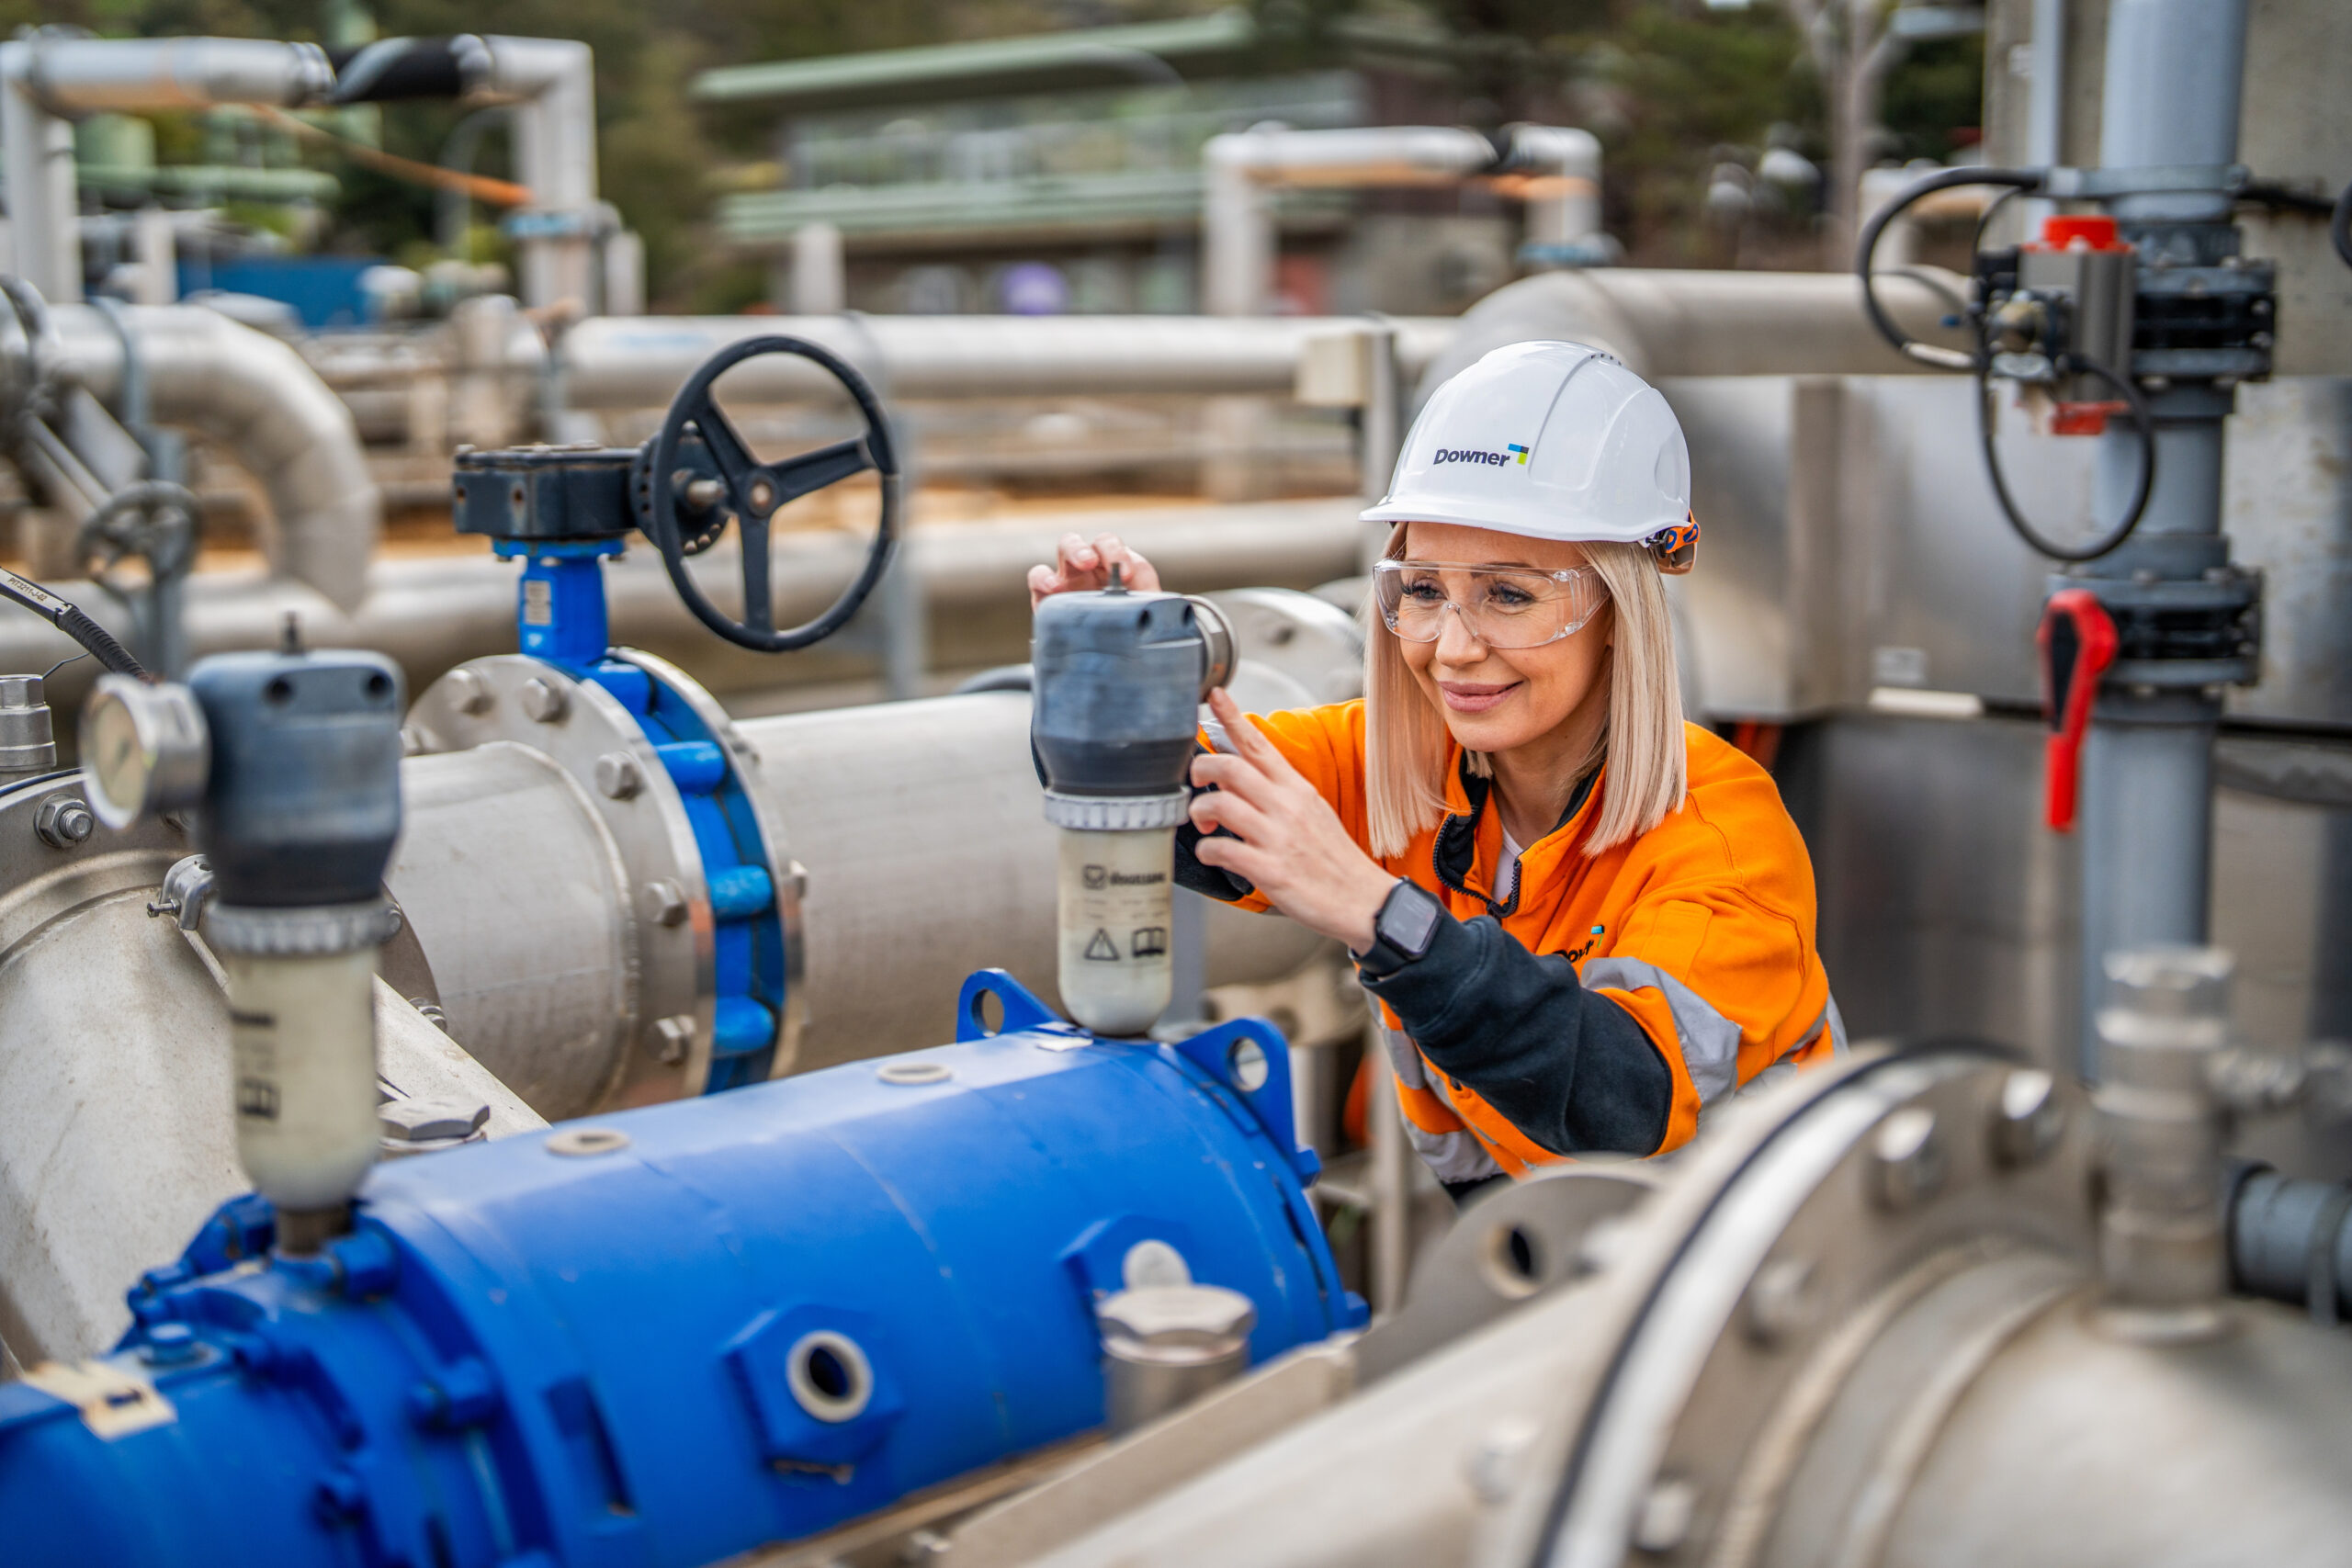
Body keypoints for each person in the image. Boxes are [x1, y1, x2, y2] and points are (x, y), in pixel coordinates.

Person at [1029, 342, 1843, 1199]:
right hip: (1539, 1245)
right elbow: (1167, 812)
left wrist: (1376, 913)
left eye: (1511, 594)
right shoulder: (1398, 764)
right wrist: (1108, 686)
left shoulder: (1721, 835)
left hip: (1760, 1270)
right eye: (1422, 589)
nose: (1453, 649)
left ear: (1620, 609)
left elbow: (1618, 1098)